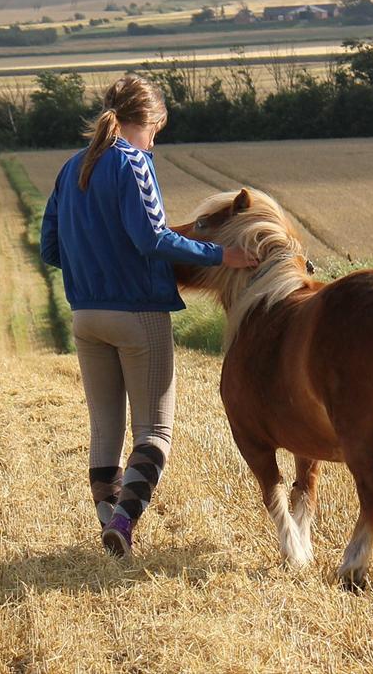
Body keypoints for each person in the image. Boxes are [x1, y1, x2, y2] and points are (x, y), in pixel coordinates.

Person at [39, 74, 256, 557]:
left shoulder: (71, 168)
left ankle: (110, 530)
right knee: (155, 432)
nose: (155, 139)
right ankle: (123, 522)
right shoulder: (134, 163)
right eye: (158, 129)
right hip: (137, 314)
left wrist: (91, 261)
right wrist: (224, 257)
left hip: (86, 316)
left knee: (105, 430)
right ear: (150, 121)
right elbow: (153, 239)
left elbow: (50, 247)